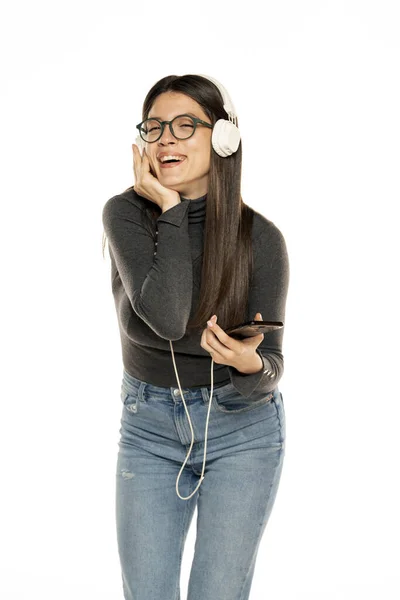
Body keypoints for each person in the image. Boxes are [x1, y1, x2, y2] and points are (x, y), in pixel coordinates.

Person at [101, 73, 290, 600]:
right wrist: (170, 209)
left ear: (223, 139)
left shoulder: (261, 239)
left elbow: (270, 368)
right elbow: (164, 316)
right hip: (150, 427)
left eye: (185, 126)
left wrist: (251, 366)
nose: (166, 139)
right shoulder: (126, 215)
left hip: (242, 428)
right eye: (155, 127)